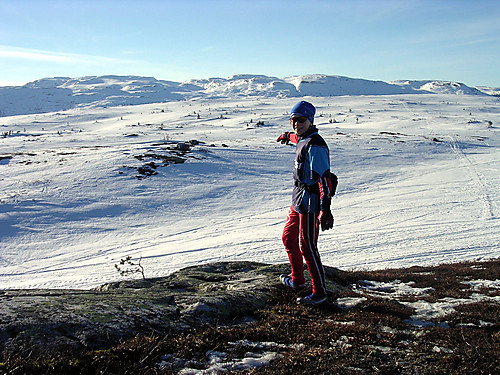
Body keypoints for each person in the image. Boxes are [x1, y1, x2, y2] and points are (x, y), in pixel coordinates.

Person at [276, 100, 337, 305]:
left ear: (310, 120)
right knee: (288, 238)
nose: (296, 124)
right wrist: (287, 136)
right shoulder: (303, 138)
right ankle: (297, 280)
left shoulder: (316, 145)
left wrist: (325, 209)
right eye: (293, 120)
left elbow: (324, 179)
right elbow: (297, 138)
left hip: (311, 203)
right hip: (298, 199)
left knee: (307, 246)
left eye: (301, 120)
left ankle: (320, 293)